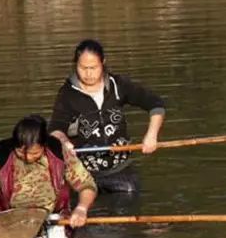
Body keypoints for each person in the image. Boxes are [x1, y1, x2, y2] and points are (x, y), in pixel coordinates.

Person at [48, 39, 166, 193]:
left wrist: (151, 135)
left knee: (128, 194)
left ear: (103, 63)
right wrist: (63, 141)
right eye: (83, 68)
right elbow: (56, 127)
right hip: (84, 171)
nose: (88, 74)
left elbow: (155, 104)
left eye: (94, 68)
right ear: (75, 65)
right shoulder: (67, 94)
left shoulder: (118, 85)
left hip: (120, 168)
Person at [0, 115, 98, 238]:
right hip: (14, 225)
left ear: (44, 146)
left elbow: (87, 185)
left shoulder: (58, 152)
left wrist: (82, 209)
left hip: (55, 220)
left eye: (34, 153)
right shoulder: (0, 158)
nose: (27, 158)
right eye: (20, 152)